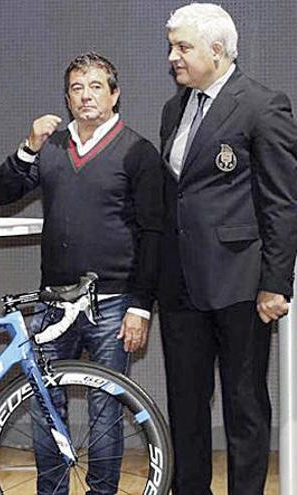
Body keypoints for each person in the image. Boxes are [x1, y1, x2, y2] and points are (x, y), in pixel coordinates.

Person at [0, 52, 163, 494]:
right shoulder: (53, 146)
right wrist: (28, 147)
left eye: (96, 86)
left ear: (115, 94)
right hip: (54, 302)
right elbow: (0, 192)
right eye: (77, 88)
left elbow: (154, 235)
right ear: (66, 98)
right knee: (46, 407)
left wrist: (140, 307)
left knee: (106, 411)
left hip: (112, 303)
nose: (86, 96)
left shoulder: (138, 151)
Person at [159, 4, 297, 494]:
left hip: (240, 284)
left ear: (216, 50)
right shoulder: (174, 108)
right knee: (186, 407)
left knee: (244, 407)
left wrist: (276, 283)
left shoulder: (263, 105)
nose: (172, 56)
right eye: (171, 46)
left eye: (182, 47)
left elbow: (282, 202)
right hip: (181, 288)